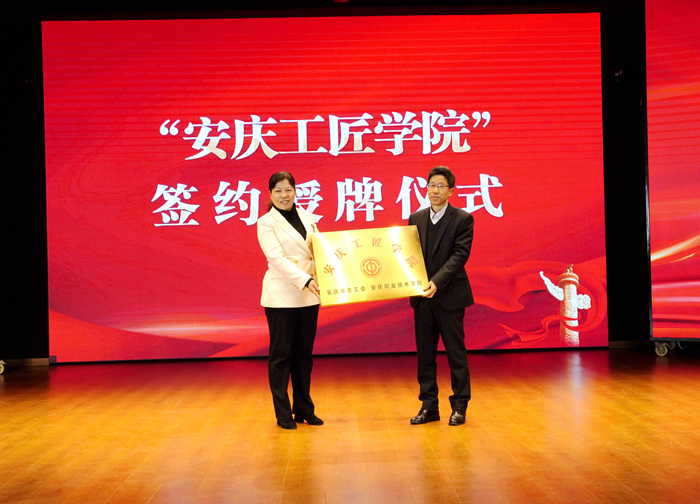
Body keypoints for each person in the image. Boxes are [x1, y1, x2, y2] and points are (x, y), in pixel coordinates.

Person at [408, 166, 474, 426]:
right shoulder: (416, 217)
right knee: (425, 356)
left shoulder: (463, 219)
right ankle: (429, 406)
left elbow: (460, 255)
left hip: (450, 296)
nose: (435, 191)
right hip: (422, 297)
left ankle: (459, 406)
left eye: (440, 186)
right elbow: (408, 254)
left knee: (456, 354)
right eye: (431, 185)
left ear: (451, 191)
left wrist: (436, 281)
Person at [257, 171, 323, 430]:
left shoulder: (308, 216)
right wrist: (305, 280)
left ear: (295, 191)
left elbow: (320, 250)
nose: (284, 195)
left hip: (309, 295)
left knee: (304, 356)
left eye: (288, 190)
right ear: (270, 194)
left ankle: (304, 408)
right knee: (281, 356)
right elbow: (276, 259)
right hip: (281, 297)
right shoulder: (266, 222)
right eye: (278, 191)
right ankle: (283, 413)